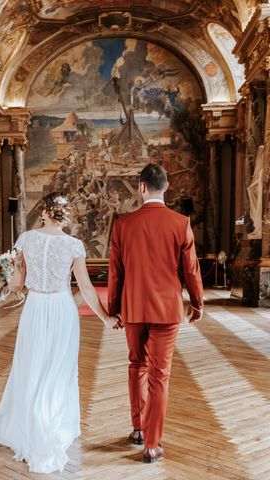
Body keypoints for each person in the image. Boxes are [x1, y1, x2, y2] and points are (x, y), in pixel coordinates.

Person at [0, 192, 121, 474]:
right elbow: (86, 289)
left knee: (32, 366)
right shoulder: (74, 245)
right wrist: (104, 317)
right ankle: (52, 422)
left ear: (44, 213)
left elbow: (17, 283)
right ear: (65, 216)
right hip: (63, 309)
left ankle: (32, 424)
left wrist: (4, 273)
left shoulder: (27, 239)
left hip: (35, 308)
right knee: (59, 368)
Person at [108, 163, 203, 463]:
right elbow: (191, 269)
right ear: (166, 188)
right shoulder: (180, 223)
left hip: (133, 308)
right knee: (160, 376)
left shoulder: (123, 224)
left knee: (137, 365)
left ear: (141, 187)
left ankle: (138, 428)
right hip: (166, 309)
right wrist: (197, 302)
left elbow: (115, 273)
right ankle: (152, 444)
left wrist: (114, 309)